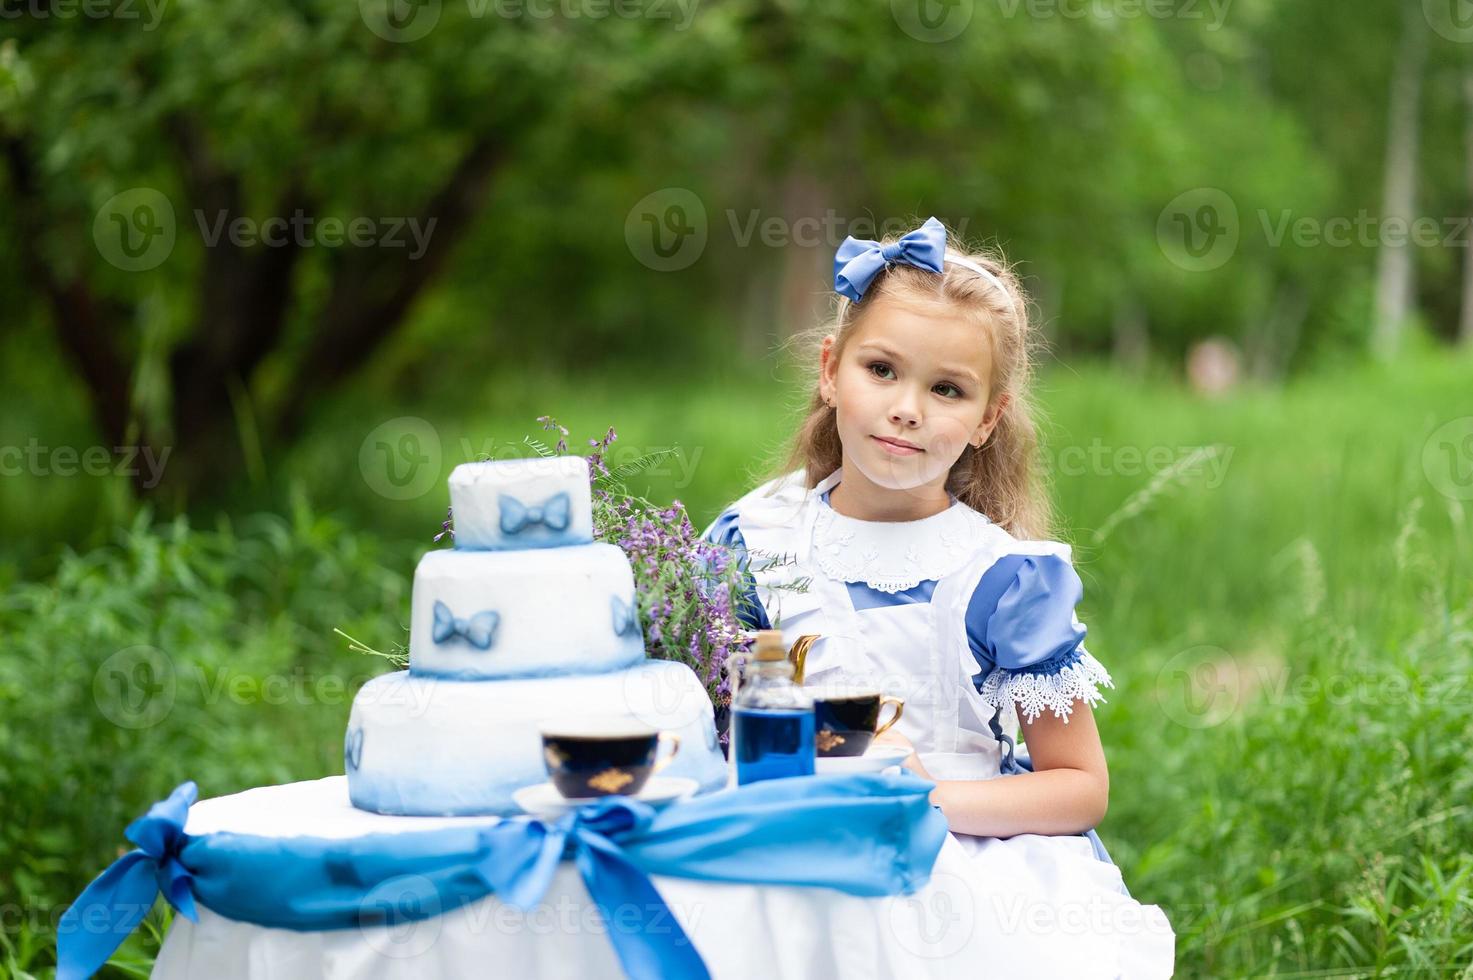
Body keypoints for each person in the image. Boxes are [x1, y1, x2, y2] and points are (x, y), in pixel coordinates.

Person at [703, 217, 1176, 976]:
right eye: (881, 370)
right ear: (830, 370)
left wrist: (927, 797)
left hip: (960, 846)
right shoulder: (755, 540)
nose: (907, 408)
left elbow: (1079, 786)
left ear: (988, 418)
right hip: (790, 833)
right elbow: (712, 724)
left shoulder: (1003, 577)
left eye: (946, 388)